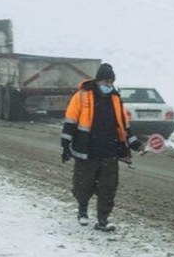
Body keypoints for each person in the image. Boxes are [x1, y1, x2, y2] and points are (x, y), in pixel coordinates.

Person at [60, 63, 141, 231]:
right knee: (83, 184)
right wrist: (65, 146)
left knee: (108, 187)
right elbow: (70, 122)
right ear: (98, 80)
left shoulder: (116, 99)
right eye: (106, 81)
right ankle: (82, 211)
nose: (108, 85)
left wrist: (135, 143)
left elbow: (124, 125)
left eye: (111, 82)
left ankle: (102, 220)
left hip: (110, 151)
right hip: (87, 150)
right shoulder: (82, 96)